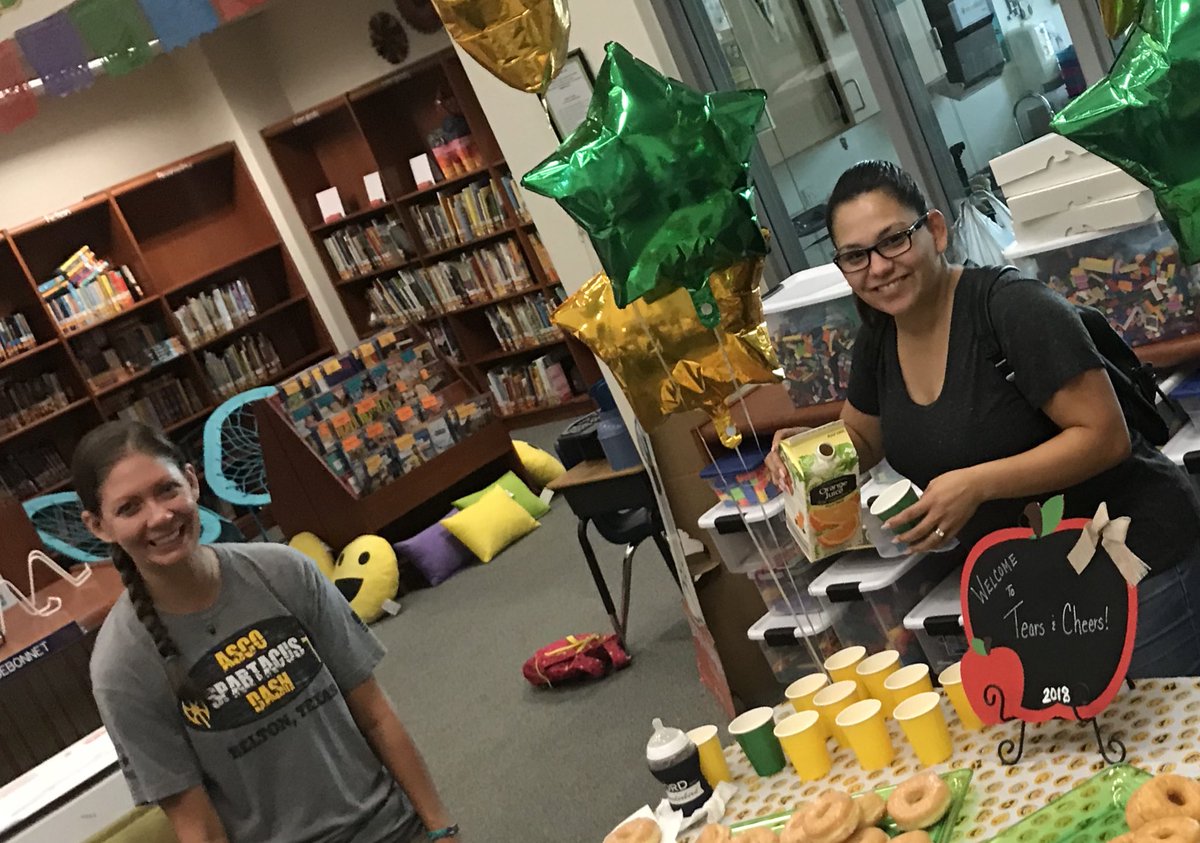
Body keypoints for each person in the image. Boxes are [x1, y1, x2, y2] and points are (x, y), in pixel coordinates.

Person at [766, 160, 1200, 678]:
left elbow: (1105, 437)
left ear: (935, 230)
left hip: (1133, 562)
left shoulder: (1013, 309)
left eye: (893, 241)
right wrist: (811, 455)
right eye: (856, 255)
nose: (878, 267)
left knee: (1162, 721)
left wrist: (976, 485)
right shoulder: (879, 339)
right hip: (1035, 584)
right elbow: (863, 436)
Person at [75, 420, 461, 842]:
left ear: (191, 482)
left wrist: (441, 828)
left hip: (393, 827)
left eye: (167, 490)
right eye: (129, 508)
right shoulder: (121, 667)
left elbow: (376, 716)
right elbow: (198, 826)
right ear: (98, 526)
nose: (160, 516)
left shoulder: (284, 571)